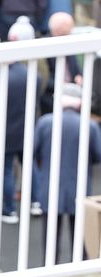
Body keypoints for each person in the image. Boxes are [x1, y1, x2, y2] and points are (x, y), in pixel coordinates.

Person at [0, 16, 38, 224]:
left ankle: (8, 210)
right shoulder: (30, 74)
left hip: (3, 132)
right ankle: (36, 203)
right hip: (26, 128)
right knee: (28, 166)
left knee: (5, 171)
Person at [34, 83, 101, 263]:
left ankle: (50, 269)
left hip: (50, 186)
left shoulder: (45, 122)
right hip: (78, 187)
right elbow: (97, 155)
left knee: (50, 239)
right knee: (79, 236)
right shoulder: (90, 126)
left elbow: (34, 151)